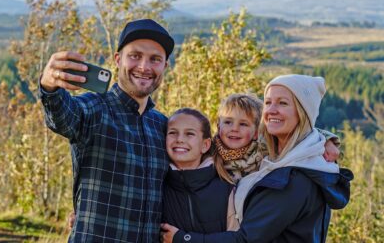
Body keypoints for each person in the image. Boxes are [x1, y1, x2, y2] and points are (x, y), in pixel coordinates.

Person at [161, 74, 353, 242]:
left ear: (302, 113)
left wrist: (183, 239)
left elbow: (246, 239)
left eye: (283, 103)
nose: (272, 110)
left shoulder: (293, 176)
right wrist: (324, 138)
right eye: (268, 102)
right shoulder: (275, 156)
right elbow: (186, 143)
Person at [39, 19, 174, 242]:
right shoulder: (95, 108)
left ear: (165, 67)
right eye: (135, 56)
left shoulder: (163, 126)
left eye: (155, 59)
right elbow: (63, 116)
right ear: (118, 59)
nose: (144, 67)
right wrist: (49, 86)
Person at [162, 108, 236, 241]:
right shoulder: (158, 185)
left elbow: (236, 238)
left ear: (205, 145)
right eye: (173, 133)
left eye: (189, 134)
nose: (179, 139)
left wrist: (184, 239)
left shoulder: (226, 187)